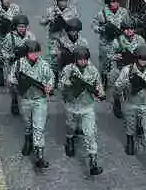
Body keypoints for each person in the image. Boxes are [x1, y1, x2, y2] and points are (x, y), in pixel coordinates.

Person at [60, 45, 105, 175]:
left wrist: (100, 93)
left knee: (90, 133)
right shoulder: (68, 70)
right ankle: (69, 139)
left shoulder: (93, 70)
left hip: (87, 106)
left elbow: (98, 84)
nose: (83, 62)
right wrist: (72, 84)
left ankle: (93, 162)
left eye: (85, 59)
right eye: (80, 59)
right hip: (72, 105)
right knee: (70, 126)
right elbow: (61, 84)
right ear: (75, 60)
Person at [12, 38, 53, 169]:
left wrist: (49, 86)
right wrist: (18, 84)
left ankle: (39, 155)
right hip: (25, 99)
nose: (34, 55)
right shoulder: (19, 64)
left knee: (38, 127)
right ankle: (28, 139)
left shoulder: (44, 65)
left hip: (39, 100)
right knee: (28, 123)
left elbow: (50, 78)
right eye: (31, 52)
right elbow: (11, 78)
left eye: (36, 52)